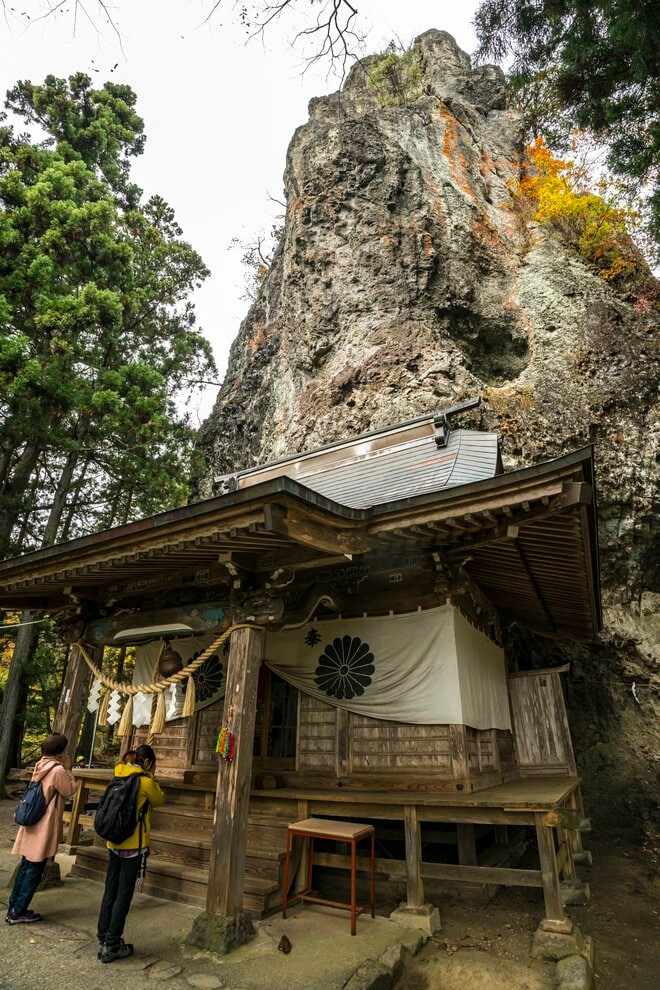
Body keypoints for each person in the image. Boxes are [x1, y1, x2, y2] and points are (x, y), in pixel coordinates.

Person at [96, 743, 165, 963]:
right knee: (124, 895)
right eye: (154, 764)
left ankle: (103, 937)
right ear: (147, 762)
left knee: (110, 890)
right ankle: (113, 944)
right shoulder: (145, 782)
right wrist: (151, 776)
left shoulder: (118, 774)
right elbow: (160, 799)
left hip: (113, 842)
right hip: (133, 846)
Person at [6, 732, 77, 925]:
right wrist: (68, 769)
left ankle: (14, 907)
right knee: (34, 869)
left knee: (26, 865)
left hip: (32, 821)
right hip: (44, 824)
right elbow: (70, 790)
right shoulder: (57, 770)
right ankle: (18, 912)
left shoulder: (40, 765)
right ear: (59, 752)